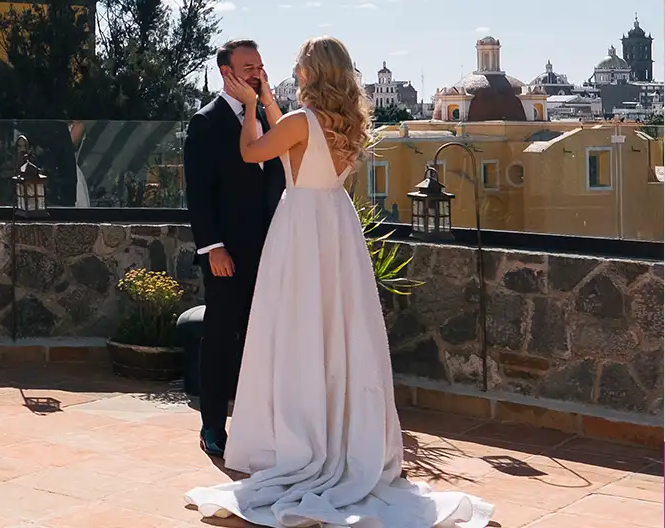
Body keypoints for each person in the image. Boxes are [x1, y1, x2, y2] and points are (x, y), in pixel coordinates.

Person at [186, 37, 493, 527]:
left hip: (302, 227)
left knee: (299, 329)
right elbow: (293, 131)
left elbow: (252, 152)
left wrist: (249, 109)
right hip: (337, 223)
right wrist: (264, 100)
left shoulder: (298, 122)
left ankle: (299, 436)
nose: (290, 70)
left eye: (298, 66)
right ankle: (341, 435)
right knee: (339, 330)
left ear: (310, 72)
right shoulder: (348, 123)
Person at [182, 39, 285, 459]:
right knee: (222, 337)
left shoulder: (269, 117)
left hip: (273, 248)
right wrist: (213, 248)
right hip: (227, 253)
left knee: (264, 337)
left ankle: (260, 423)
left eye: (260, 65)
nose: (257, 72)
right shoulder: (205, 122)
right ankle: (211, 425)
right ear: (227, 72)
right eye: (248, 66)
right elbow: (199, 195)